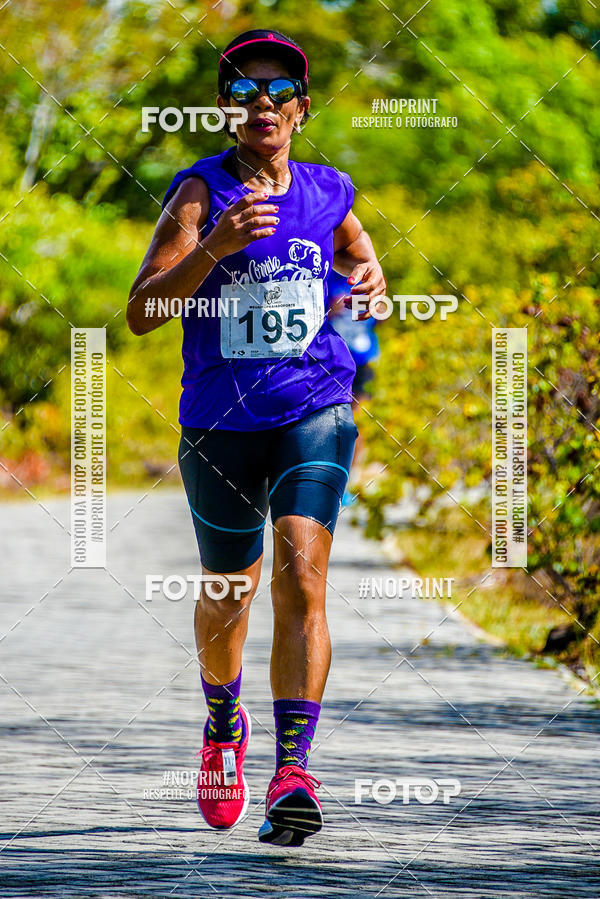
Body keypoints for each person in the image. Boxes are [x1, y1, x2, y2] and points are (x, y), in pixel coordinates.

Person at [127, 28, 386, 847]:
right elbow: (143, 311)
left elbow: (350, 246)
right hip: (218, 422)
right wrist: (216, 245)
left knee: (303, 575)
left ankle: (294, 773)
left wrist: (370, 275)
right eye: (243, 94)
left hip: (316, 403)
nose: (261, 105)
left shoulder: (328, 186)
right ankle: (222, 720)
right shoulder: (197, 192)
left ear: (301, 111)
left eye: (277, 94)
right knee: (229, 593)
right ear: (225, 110)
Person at [327, 269, 380, 504]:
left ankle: (347, 483)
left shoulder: (369, 276)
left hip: (362, 359)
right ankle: (327, 480)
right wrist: (330, 309)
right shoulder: (325, 273)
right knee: (331, 423)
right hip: (333, 361)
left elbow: (381, 314)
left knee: (359, 425)